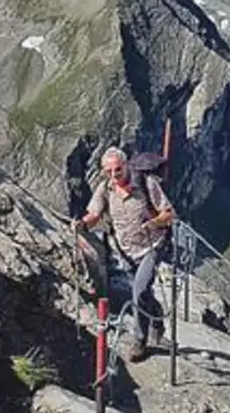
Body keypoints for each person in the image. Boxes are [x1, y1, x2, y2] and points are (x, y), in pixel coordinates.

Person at [73, 146, 175, 362]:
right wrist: (82, 224)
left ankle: (140, 342)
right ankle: (156, 320)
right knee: (141, 292)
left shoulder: (147, 184)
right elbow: (94, 214)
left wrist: (154, 222)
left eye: (117, 169)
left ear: (126, 166)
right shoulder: (105, 189)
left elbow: (168, 214)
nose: (114, 174)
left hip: (152, 247)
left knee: (138, 290)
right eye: (108, 171)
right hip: (125, 251)